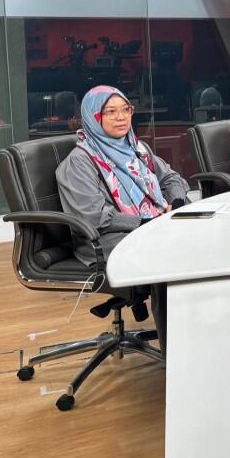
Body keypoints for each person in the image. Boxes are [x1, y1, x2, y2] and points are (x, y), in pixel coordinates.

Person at [56, 85, 188, 354]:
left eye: (125, 110)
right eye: (111, 112)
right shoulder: (80, 161)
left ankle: (203, 333)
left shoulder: (136, 149)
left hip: (148, 226)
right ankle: (175, 353)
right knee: (171, 258)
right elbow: (93, 216)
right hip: (105, 240)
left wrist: (176, 203)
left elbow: (171, 178)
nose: (121, 118)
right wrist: (145, 223)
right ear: (94, 118)